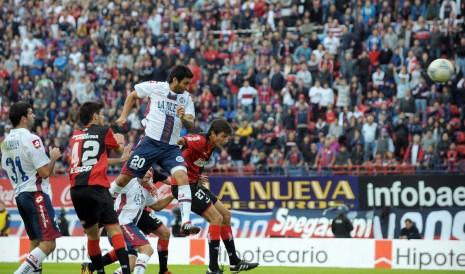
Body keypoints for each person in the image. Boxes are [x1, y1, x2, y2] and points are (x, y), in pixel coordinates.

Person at [113, 65, 200, 235]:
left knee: (183, 176)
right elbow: (133, 95)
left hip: (171, 148)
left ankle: (186, 222)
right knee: (123, 179)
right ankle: (106, 205)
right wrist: (123, 116)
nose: (187, 87)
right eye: (185, 83)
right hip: (150, 143)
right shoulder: (156, 87)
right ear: (175, 80)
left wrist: (183, 118)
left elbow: (191, 123)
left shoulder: (187, 98)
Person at [173, 119, 259, 274]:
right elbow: (181, 141)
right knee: (216, 218)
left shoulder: (211, 146)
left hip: (194, 184)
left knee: (226, 215)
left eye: (227, 138)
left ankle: (234, 262)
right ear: (212, 133)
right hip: (183, 186)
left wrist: (197, 175)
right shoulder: (199, 140)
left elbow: (194, 162)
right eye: (223, 136)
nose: (225, 140)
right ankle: (213, 268)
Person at [68, 102, 130, 274]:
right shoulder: (104, 131)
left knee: (92, 236)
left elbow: (93, 160)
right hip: (97, 187)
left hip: (77, 189)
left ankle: (98, 272)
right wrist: (120, 141)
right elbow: (119, 150)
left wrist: (117, 161)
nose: (102, 117)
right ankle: (126, 271)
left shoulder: (75, 135)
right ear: (95, 116)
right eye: (101, 114)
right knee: (114, 229)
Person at [1, 101, 62, 274]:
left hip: (20, 196)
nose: (33, 115)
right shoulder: (31, 139)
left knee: (35, 242)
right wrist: (53, 158)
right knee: (49, 244)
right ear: (23, 118)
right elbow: (44, 173)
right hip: (36, 194)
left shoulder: (5, 143)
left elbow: (5, 168)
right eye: (30, 113)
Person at [84, 169, 174, 274]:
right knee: (147, 250)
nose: (149, 173)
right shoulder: (129, 181)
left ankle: (90, 266)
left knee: (131, 264)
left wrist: (172, 196)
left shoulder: (146, 191)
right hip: (121, 224)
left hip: (128, 225)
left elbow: (157, 206)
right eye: (147, 170)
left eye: (150, 171)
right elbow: (109, 192)